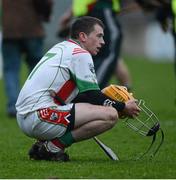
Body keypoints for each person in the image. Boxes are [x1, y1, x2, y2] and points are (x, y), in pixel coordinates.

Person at [16, 16, 140, 162]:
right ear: (83, 36)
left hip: (25, 117)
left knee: (100, 108)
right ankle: (52, 147)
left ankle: (42, 143)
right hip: (39, 118)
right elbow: (93, 95)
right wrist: (122, 106)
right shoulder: (80, 54)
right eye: (99, 36)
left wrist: (104, 100)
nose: (103, 42)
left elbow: (81, 97)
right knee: (111, 115)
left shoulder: (62, 47)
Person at [58, 0, 132, 90]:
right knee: (106, 56)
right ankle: (94, 92)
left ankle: (121, 92)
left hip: (101, 9)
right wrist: (70, 13)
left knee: (108, 56)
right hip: (87, 14)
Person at [2, 0, 53, 117]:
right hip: (32, 29)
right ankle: (35, 103)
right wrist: (46, 15)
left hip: (9, 31)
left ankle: (13, 106)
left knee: (11, 70)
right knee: (36, 69)